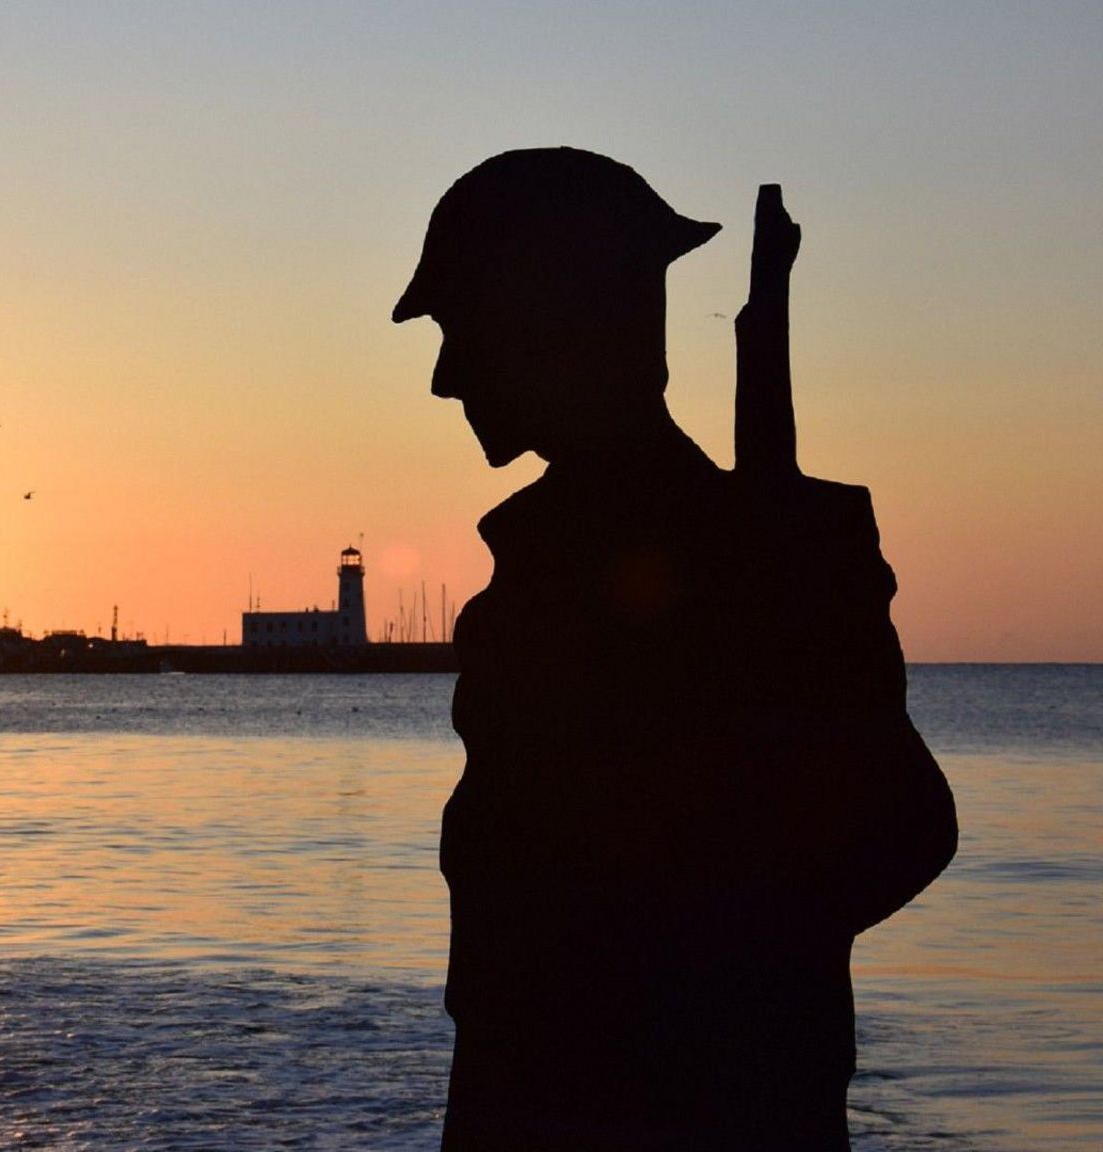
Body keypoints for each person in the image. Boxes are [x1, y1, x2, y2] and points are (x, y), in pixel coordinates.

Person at [392, 148, 956, 1151]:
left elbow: (896, 830)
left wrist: (682, 965)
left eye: (459, 328)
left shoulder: (748, 561)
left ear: (550, 320)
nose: (443, 378)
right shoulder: (555, 567)